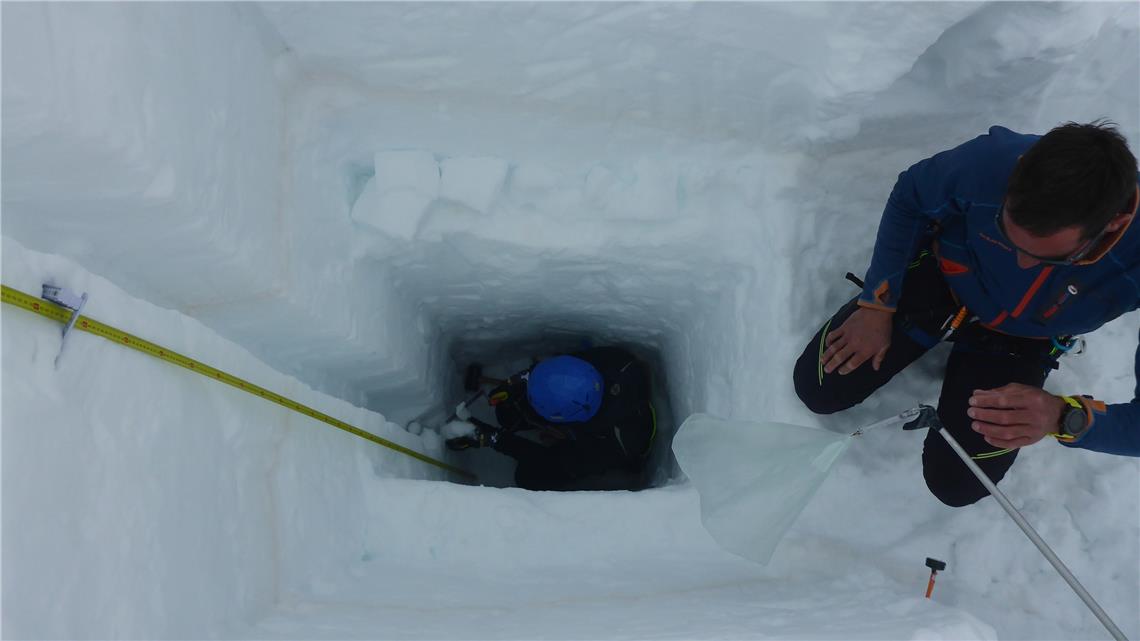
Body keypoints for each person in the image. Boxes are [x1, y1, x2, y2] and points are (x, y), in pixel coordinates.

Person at [793, 122, 1140, 507]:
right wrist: (877, 303)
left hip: (1025, 336)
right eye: (1006, 233)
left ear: (1113, 225)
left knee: (958, 482)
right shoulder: (991, 162)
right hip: (946, 282)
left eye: (1051, 258)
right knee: (819, 386)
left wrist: (1064, 416)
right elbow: (910, 195)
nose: (1022, 264)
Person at [447, 346, 657, 491]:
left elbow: (541, 458)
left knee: (529, 477)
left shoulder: (610, 447)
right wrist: (519, 380)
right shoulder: (616, 362)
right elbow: (559, 371)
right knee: (509, 413)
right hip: (594, 417)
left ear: (564, 421)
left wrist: (492, 438)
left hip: (604, 447)